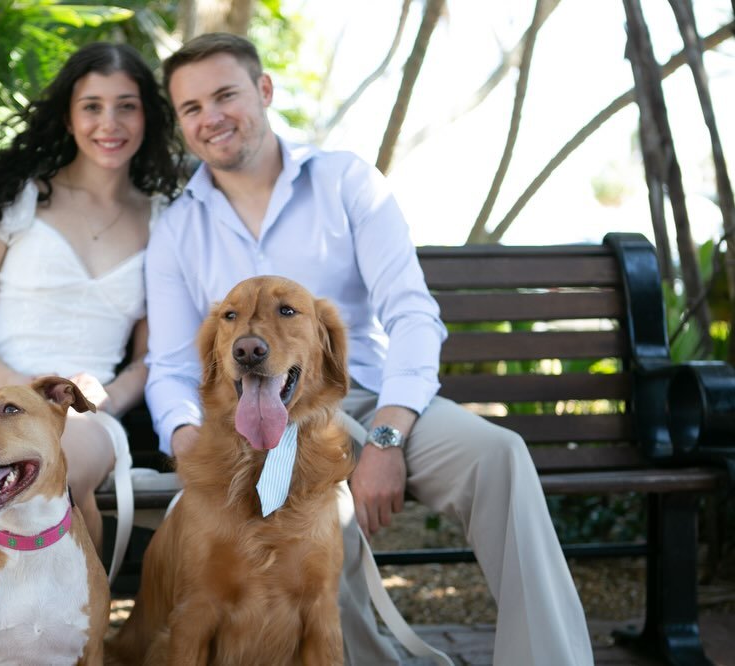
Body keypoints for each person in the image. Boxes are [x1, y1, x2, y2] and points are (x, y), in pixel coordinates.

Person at [144, 32, 594, 665]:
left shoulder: (345, 182)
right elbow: (167, 366)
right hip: (252, 416)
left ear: (264, 91)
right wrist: (188, 439)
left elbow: (412, 312)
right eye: (191, 108)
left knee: (498, 455)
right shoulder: (176, 226)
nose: (210, 117)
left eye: (225, 95)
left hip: (370, 396)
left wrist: (388, 433)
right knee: (285, 513)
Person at [0, 41, 180, 665]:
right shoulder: (11, 196)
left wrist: (78, 403)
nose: (110, 124)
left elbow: (148, 359)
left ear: (148, 118)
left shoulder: (166, 219)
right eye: (93, 106)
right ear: (68, 115)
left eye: (127, 107)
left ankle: (59, 645)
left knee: (64, 473)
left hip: (79, 408)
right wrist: (17, 398)